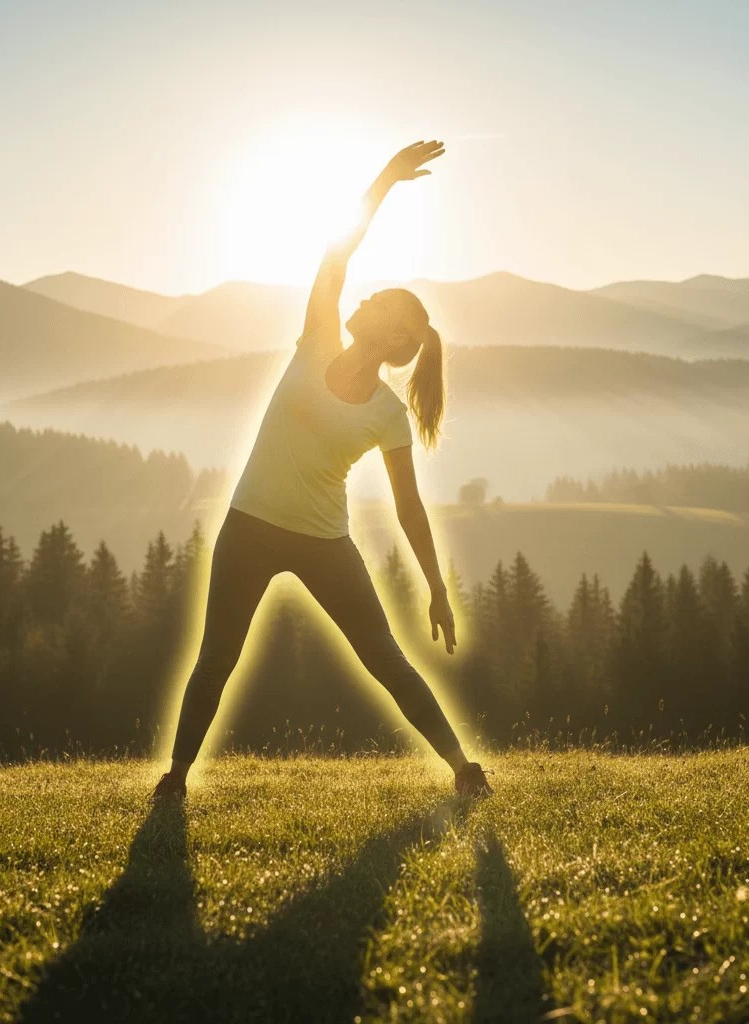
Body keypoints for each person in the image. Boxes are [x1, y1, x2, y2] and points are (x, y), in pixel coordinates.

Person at [152, 140, 493, 802]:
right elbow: (337, 255)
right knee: (216, 660)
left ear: (396, 341)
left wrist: (437, 588)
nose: (364, 300)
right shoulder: (317, 341)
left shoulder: (388, 416)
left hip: (323, 542)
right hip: (250, 526)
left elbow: (409, 509)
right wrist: (385, 181)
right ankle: (175, 781)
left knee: (384, 658)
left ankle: (463, 770)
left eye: (383, 306)